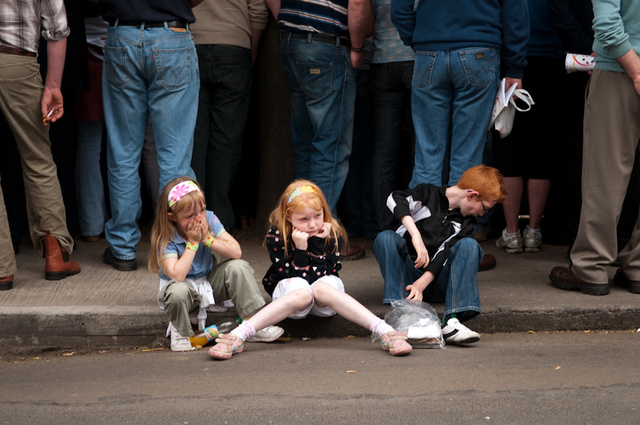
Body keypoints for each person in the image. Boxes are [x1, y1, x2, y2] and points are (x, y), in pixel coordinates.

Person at [207, 180, 413, 359]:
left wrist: (316, 244)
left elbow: (320, 275)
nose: (313, 225)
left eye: (317, 215)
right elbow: (298, 277)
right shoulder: (277, 235)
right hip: (292, 295)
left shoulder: (332, 232)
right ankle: (238, 335)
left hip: (325, 296)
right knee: (304, 291)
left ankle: (385, 332)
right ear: (288, 217)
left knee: (319, 288)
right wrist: (301, 248)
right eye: (304, 219)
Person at [98, 0, 202, 272]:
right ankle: (177, 246)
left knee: (123, 151)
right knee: (175, 155)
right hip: (171, 35)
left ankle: (122, 248)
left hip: (122, 34)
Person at [549, 0, 640, 296]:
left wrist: (636, 71)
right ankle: (637, 265)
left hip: (620, 70)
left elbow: (606, 24)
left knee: (606, 174)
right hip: (624, 68)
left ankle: (591, 266)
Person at [391, 0, 529, 188]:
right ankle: (458, 216)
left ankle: (423, 216)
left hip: (429, 51)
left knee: (427, 155)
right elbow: (515, 11)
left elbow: (399, 9)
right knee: (467, 157)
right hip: (479, 49)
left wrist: (418, 40)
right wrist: (514, 67)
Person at [373, 165, 507, 345]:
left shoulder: (467, 222)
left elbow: (444, 253)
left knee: (469, 245)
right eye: (485, 207)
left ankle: (452, 320)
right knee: (385, 238)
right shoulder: (428, 194)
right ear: (472, 195)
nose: (483, 214)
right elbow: (394, 198)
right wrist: (416, 236)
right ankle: (403, 313)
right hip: (408, 279)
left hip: (439, 282)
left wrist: (421, 285)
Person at [149, 177, 284, 352]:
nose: (198, 218)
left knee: (239, 266)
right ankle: (181, 332)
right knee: (177, 290)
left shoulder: (209, 219)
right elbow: (177, 276)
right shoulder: (166, 234)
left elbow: (236, 251)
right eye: (190, 215)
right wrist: (192, 243)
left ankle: (254, 323)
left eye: (202, 210)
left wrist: (207, 239)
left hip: (207, 283)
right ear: (172, 216)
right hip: (180, 291)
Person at [263, 0, 374, 214]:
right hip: (327, 45)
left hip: (291, 44)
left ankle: (298, 226)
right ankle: (319, 235)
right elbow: (358, 2)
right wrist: (358, 47)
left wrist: (292, 25)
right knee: (330, 147)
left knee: (304, 143)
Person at [0, 0, 81, 290]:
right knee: (37, 160)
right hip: (18, 62)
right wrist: (53, 86)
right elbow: (57, 27)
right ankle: (55, 254)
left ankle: (1, 269)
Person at [494, 0, 568, 254]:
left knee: (509, 143)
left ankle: (512, 232)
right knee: (542, 147)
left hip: (511, 58)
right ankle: (534, 231)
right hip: (550, 59)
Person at [189, 0, 269, 231]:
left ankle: (193, 216)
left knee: (194, 139)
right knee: (227, 141)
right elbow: (259, 8)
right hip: (235, 45)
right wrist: (250, 48)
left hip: (192, 42)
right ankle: (219, 218)